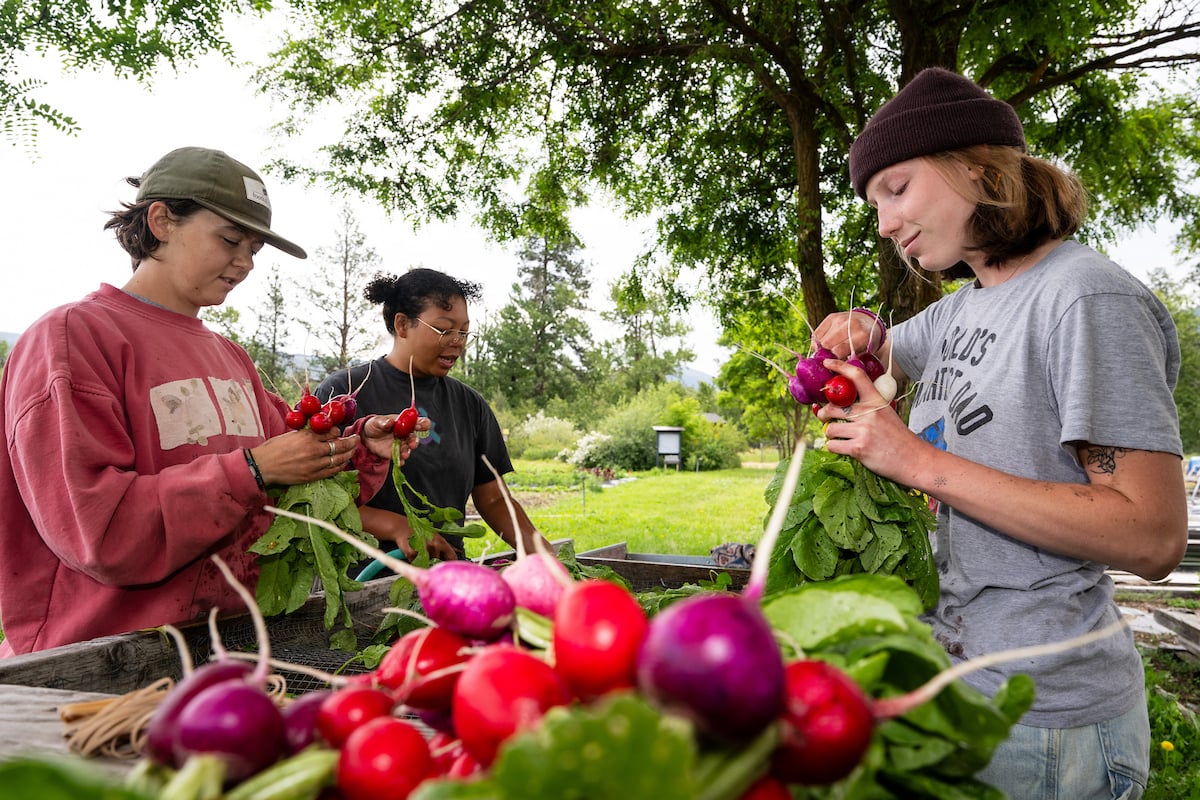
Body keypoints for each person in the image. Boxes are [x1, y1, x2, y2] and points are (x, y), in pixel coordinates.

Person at [811, 68, 1187, 799]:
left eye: (896, 188)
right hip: (953, 690)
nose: (883, 223)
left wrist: (916, 461)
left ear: (976, 168)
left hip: (1047, 724)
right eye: (872, 204)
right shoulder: (967, 305)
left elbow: (1152, 536)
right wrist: (863, 334)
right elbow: (888, 348)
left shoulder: (1085, 299)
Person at [0, 146, 421, 657]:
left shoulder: (230, 358)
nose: (244, 263)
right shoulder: (72, 339)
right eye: (229, 240)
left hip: (228, 654)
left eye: (254, 249)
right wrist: (251, 469)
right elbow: (98, 533)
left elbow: (286, 506)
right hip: (99, 669)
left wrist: (358, 454)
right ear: (161, 221)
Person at [315, 268, 544, 563]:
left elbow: (494, 497)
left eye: (463, 332)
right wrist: (397, 526)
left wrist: (541, 551)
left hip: (447, 579)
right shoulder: (343, 393)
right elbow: (317, 496)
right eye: (444, 330)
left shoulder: (470, 404)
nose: (457, 341)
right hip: (361, 583)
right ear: (402, 325)